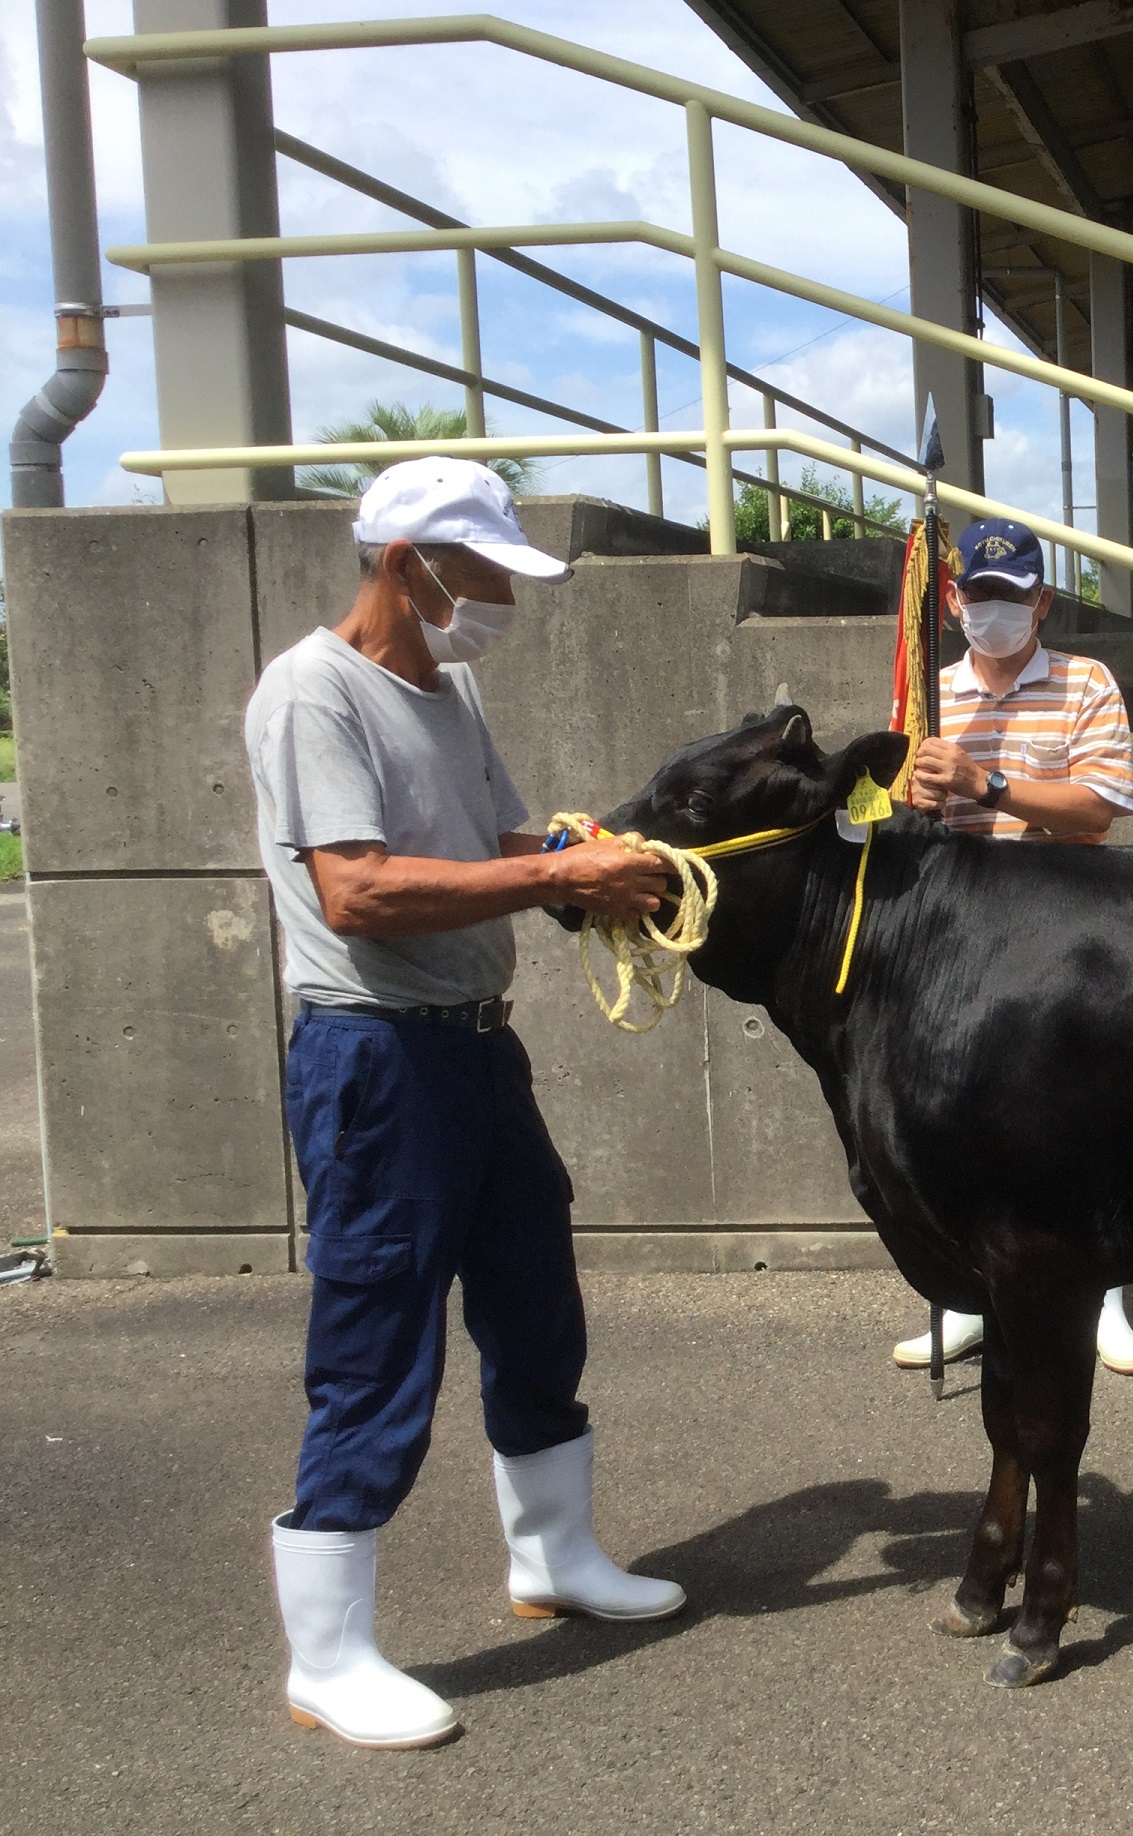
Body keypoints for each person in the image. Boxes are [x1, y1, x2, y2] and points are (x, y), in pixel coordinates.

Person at [245, 458, 685, 1750]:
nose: (501, 598)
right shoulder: (311, 692)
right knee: (379, 1345)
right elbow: (359, 893)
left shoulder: (452, 682)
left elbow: (497, 842)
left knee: (535, 1300)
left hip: (475, 1047)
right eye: (485, 573)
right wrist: (564, 873)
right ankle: (327, 1658)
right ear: (408, 566)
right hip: (375, 1060)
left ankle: (554, 1557)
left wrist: (585, 863)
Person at [888, 517, 1133, 1378]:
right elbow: (889, 813)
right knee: (960, 1126)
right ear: (955, 598)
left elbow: (1099, 808)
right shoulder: (927, 695)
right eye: (977, 595)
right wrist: (911, 801)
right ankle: (969, 1300)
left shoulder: (1087, 684)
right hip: (958, 939)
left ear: (1041, 601)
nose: (991, 612)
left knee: (1080, 1127)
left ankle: (1104, 1300)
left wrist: (988, 783)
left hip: (1067, 932)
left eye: (1012, 597)